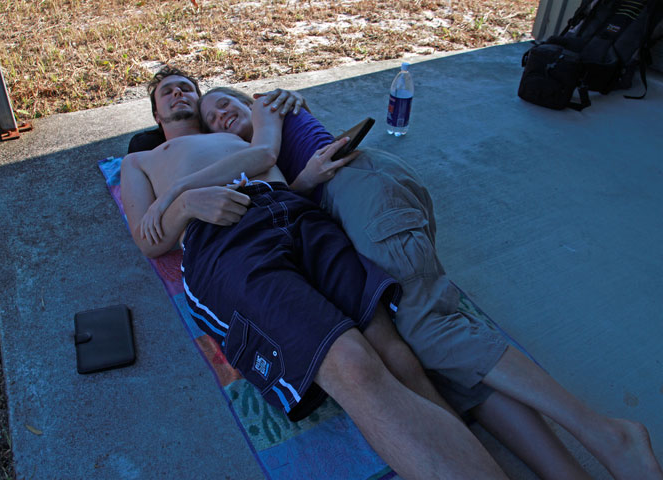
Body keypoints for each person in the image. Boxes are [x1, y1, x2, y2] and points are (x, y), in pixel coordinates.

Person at [176, 86, 662, 480]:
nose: (219, 115)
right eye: (210, 115)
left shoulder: (269, 107)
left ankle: (608, 434)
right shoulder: (250, 157)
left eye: (226, 102)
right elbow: (283, 186)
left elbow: (268, 148)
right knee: (439, 359)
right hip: (338, 208)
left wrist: (171, 201)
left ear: (249, 98)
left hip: (359, 187)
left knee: (429, 327)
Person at [120, 66, 510, 480]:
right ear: (156, 114)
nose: (179, 93)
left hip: (295, 213)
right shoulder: (140, 160)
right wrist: (183, 206)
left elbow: (270, 145)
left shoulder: (232, 134)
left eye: (187, 88)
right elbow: (149, 240)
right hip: (225, 241)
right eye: (168, 92)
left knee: (396, 353)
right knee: (354, 364)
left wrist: (280, 102)